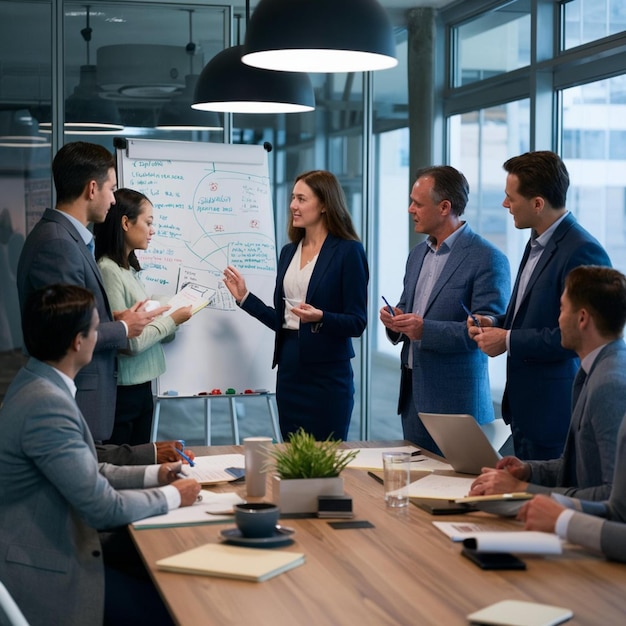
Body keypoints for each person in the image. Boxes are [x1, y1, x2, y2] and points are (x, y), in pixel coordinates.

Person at [0, 284, 201, 626]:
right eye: (96, 328)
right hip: (49, 573)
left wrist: (156, 474)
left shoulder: (37, 381)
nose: (101, 336)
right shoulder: (46, 404)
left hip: (54, 544)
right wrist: (172, 496)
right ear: (79, 342)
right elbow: (103, 507)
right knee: (176, 608)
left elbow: (89, 469)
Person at [16, 141, 188, 465]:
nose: (113, 199)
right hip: (80, 392)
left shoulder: (65, 238)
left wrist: (114, 318)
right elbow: (68, 333)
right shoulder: (57, 244)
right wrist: (124, 327)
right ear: (92, 188)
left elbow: (75, 317)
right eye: (111, 189)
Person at [469, 151, 611, 460]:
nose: (505, 205)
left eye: (511, 198)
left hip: (553, 412)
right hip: (524, 409)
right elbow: (532, 314)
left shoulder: (582, 251)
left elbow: (577, 336)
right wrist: (497, 323)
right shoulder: (535, 241)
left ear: (537, 203)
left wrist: (506, 340)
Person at [223, 170, 368, 441]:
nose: (293, 205)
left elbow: (357, 322)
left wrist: (321, 316)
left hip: (327, 376)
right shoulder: (289, 252)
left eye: (301, 199)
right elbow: (283, 319)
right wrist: (245, 298)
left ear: (324, 204)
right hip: (290, 370)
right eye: (293, 198)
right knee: (292, 456)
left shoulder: (349, 251)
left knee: (326, 459)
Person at [379, 165, 510, 453]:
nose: (410, 209)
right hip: (414, 400)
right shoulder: (417, 254)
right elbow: (408, 307)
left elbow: (485, 332)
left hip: (458, 405)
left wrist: (425, 330)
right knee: (413, 489)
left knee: (458, 492)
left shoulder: (487, 258)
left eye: (417, 203)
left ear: (444, 207)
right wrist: (396, 321)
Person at [469, 266, 626, 500]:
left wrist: (521, 490)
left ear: (582, 318)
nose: (557, 319)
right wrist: (529, 471)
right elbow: (579, 470)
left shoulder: (609, 385)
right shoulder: (597, 369)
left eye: (561, 309)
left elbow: (611, 497)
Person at [94, 188, 192, 446]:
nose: (152, 230)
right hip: (125, 392)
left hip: (141, 387)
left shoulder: (127, 269)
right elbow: (129, 341)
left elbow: (149, 332)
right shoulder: (108, 269)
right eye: (148, 222)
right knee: (125, 465)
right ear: (126, 223)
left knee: (140, 462)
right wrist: (171, 319)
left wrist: (170, 315)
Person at [518, 409, 626, 563]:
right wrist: (561, 505)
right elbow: (619, 511)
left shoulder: (608, 386)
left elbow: (610, 496)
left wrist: (564, 520)